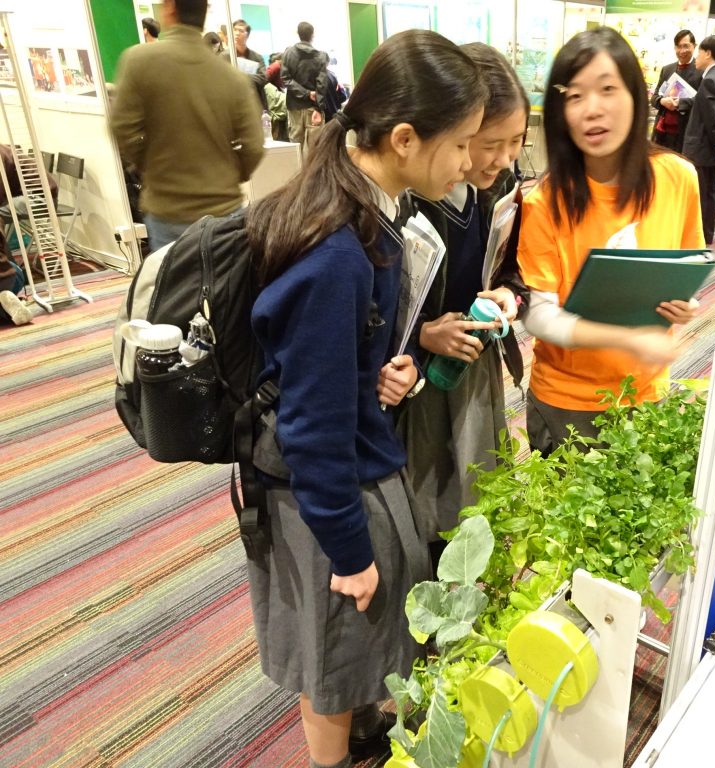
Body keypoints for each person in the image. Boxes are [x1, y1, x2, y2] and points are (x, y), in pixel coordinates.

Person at [244, 29, 486, 768]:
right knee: (334, 654)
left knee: (350, 651)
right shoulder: (338, 251)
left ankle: (355, 737)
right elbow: (312, 430)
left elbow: (331, 366)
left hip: (349, 464)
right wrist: (349, 554)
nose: (470, 163)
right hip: (327, 491)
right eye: (462, 145)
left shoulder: (363, 211)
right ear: (407, 139)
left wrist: (380, 369)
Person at [517, 27, 704, 455]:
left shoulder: (677, 178)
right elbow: (540, 319)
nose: (592, 110)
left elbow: (684, 269)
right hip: (568, 402)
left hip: (646, 394)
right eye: (575, 96)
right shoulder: (545, 201)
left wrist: (684, 305)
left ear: (637, 97)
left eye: (607, 90)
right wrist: (628, 338)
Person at [398, 42, 530, 561]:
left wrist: (508, 296)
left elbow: (518, 267)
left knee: (481, 487)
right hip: (419, 378)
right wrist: (427, 332)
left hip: (475, 367)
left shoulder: (501, 185)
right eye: (487, 143)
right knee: (427, 498)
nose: (501, 158)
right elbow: (376, 308)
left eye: (516, 141)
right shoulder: (412, 197)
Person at [111, 0, 264, 252]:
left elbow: (122, 129)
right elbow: (254, 146)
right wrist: (227, 175)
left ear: (170, 7)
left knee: (174, 286)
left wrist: (150, 166)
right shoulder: (232, 77)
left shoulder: (139, 61)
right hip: (224, 208)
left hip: (167, 206)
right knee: (227, 286)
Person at [681, 35, 715, 245]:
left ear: (708, 53)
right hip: (713, 149)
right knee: (710, 193)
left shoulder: (710, 80)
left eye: (699, 52)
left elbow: (710, 119)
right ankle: (707, 234)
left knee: (698, 194)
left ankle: (698, 236)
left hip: (701, 149)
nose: (696, 57)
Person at [650, 29, 702, 153]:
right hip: (662, 130)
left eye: (686, 46)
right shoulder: (667, 69)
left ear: (694, 46)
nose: (682, 51)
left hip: (685, 132)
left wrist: (680, 103)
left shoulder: (701, 71)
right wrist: (662, 101)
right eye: (679, 47)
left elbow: (701, 101)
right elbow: (655, 97)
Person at [281, 21, 329, 153]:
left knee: (295, 149)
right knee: (316, 150)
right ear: (312, 35)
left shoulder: (288, 53)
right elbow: (322, 83)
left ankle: (298, 174)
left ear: (298, 34)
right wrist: (318, 107)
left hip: (294, 108)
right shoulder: (320, 56)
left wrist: (305, 93)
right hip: (313, 107)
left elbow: (285, 79)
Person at [230, 18, 269, 110]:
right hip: (233, 106)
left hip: (255, 104)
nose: (237, 33)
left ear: (247, 35)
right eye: (235, 30)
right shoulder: (225, 57)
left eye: (241, 30)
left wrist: (238, 76)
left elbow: (263, 78)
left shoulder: (257, 57)